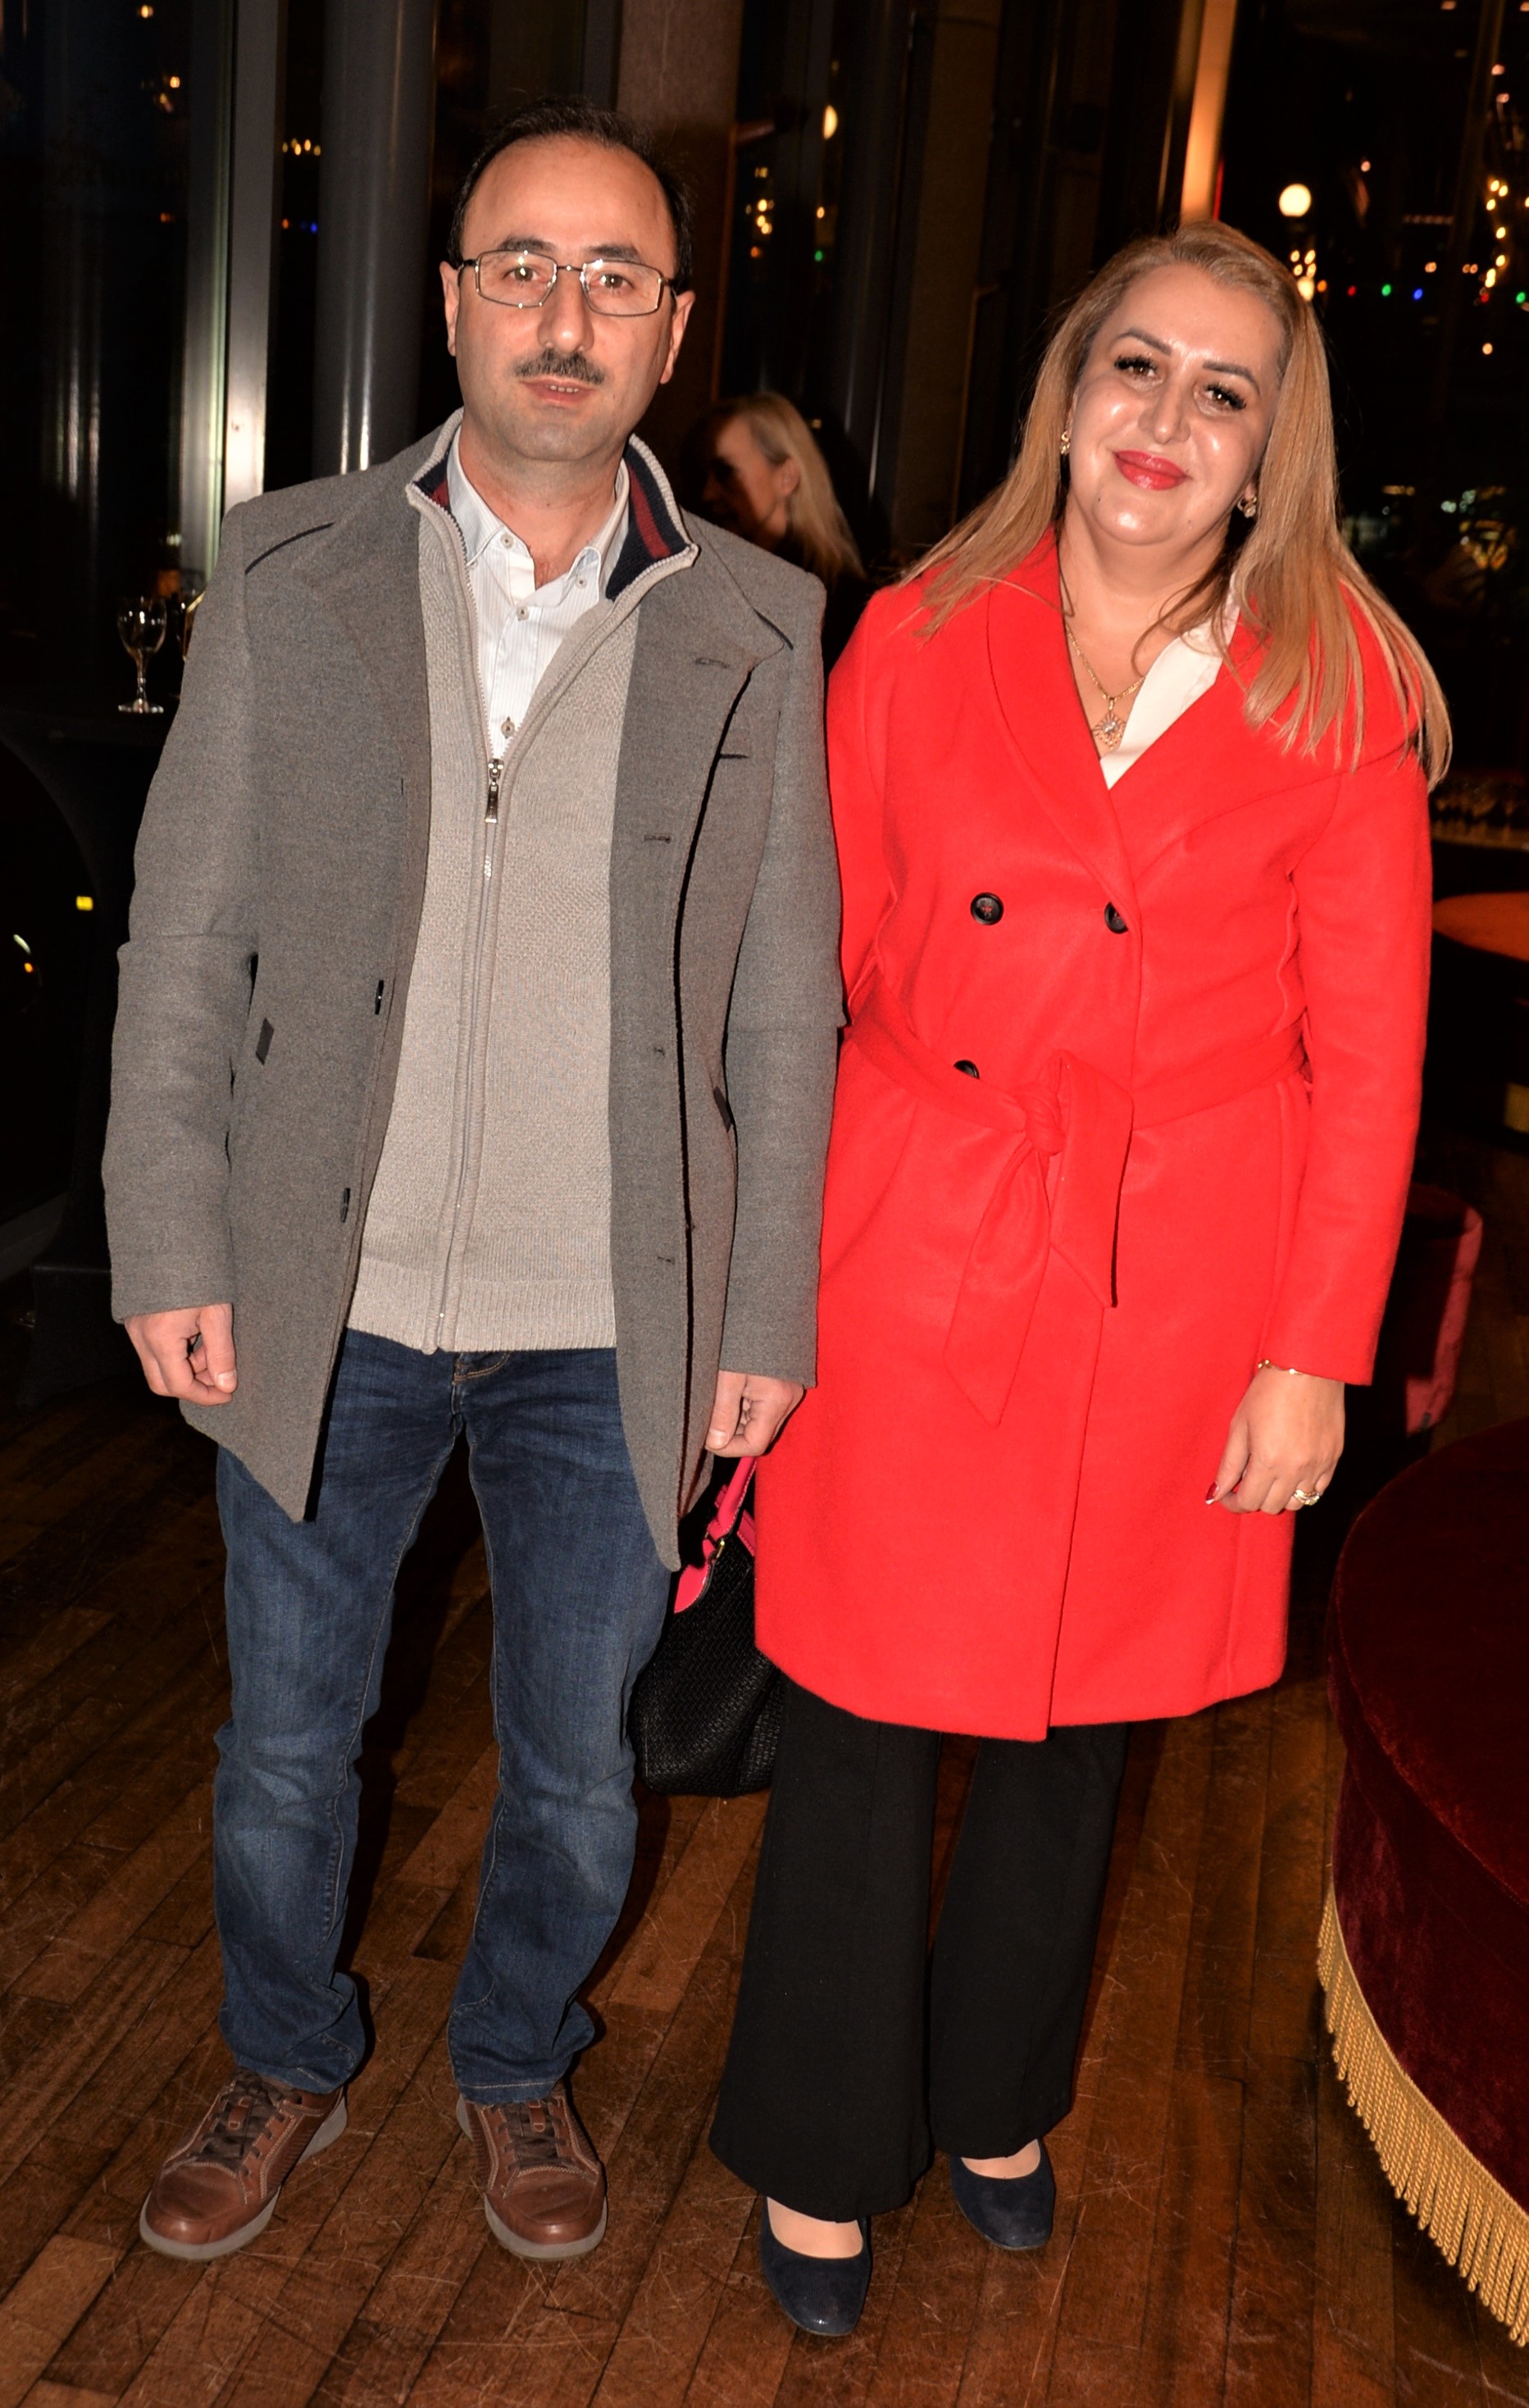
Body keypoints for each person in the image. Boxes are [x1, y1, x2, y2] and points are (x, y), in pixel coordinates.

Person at [104, 97, 841, 2269]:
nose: (562, 313)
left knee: (583, 1771)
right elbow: (185, 939)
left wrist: (764, 1314)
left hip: (610, 1313)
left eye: (614, 276)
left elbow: (783, 1008)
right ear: (450, 302)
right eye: (521, 265)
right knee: (282, 1756)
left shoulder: (761, 624)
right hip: (313, 1290)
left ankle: (516, 2060)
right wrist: (166, 1235)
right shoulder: (291, 568)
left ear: (672, 329)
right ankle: (285, 2056)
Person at [708, 220, 1445, 2335]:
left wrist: (1312, 1351)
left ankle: (998, 2098)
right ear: (1067, 389)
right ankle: (824, 2143)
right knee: (859, 1703)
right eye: (1136, 365)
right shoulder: (915, 635)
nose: (1165, 420)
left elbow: (1370, 1060)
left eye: (1223, 392)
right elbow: (807, 976)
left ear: (1269, 451)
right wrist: (763, 1284)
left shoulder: (1338, 694)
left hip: (1182, 1267)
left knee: (1079, 1717)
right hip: (915, 1220)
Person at [689, 392, 870, 667]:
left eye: (726, 472)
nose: (708, 493)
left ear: (786, 477)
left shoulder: (838, 603)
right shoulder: (706, 576)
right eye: (701, 475)